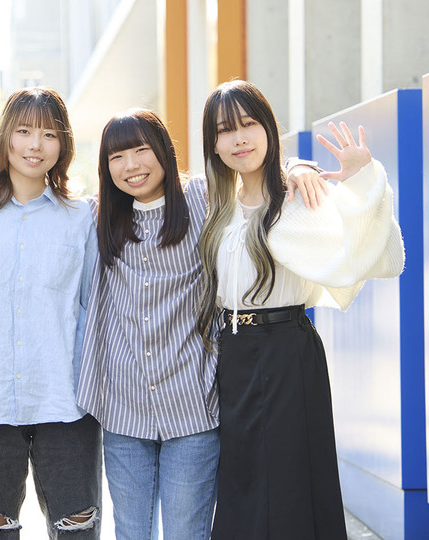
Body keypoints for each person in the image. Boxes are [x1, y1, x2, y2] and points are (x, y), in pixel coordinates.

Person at [197, 80, 405, 539]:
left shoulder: (296, 197)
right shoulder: (218, 207)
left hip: (286, 352)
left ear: (269, 129)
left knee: (290, 485)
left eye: (250, 124)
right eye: (225, 130)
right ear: (213, 143)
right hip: (233, 356)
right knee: (241, 484)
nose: (240, 139)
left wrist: (360, 177)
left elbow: (375, 253)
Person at [0, 87, 101, 539]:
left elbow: (93, 304)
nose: (35, 145)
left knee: (77, 527)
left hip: (66, 399)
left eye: (49, 134)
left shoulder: (83, 217)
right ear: (6, 138)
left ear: (63, 145)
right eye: (23, 131)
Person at [76, 109, 219, 540]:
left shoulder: (201, 198)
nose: (132, 165)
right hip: (123, 409)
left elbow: (255, 174)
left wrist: (301, 167)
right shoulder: (97, 217)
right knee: (131, 532)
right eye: (118, 157)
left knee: (185, 533)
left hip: (192, 404)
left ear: (164, 152)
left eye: (142, 150)